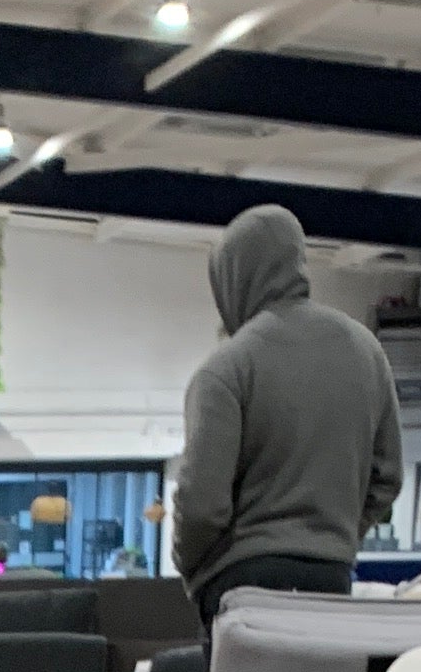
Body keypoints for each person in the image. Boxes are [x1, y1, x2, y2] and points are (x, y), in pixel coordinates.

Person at [167, 206, 403, 635]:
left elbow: (202, 504)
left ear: (231, 278)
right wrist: (335, 539)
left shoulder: (227, 368)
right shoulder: (367, 352)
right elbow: (387, 479)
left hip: (241, 585)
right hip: (331, 581)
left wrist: (194, 570)